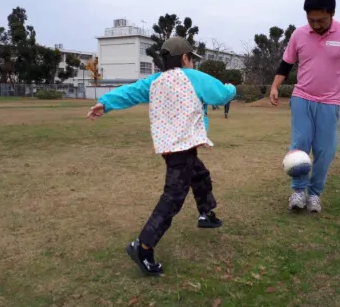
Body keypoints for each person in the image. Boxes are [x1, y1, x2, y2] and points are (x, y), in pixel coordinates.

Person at [87, 37, 236, 276]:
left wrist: (105, 103)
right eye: (192, 59)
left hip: (169, 147)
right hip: (183, 147)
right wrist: (232, 88)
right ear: (186, 58)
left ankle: (206, 213)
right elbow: (220, 95)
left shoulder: (155, 81)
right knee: (173, 197)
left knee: (200, 175)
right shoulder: (193, 77)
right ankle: (143, 246)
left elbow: (130, 93)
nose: (193, 64)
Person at [270, 0, 340, 213]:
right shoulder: (299, 34)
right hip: (302, 98)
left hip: (330, 102)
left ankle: (314, 195)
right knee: (299, 147)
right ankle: (298, 192)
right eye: (311, 20)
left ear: (332, 13)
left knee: (325, 150)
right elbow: (286, 64)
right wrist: (275, 86)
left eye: (321, 20)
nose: (316, 25)